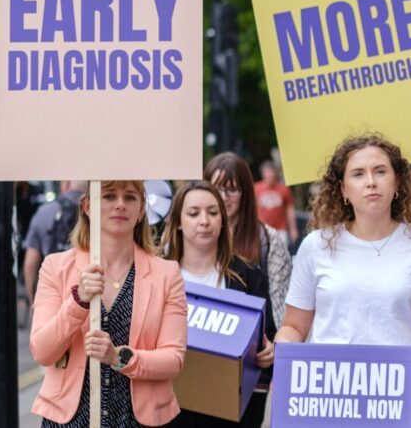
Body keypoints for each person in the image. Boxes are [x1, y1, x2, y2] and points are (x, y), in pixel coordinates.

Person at [276, 135, 411, 378]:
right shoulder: (315, 245)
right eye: (358, 174)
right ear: (343, 189)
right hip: (328, 391)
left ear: (396, 183)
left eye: (380, 171)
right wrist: (284, 355)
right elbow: (293, 327)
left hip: (400, 389)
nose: (371, 182)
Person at [30, 181, 187, 426]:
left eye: (131, 197)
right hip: (71, 420)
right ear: (87, 206)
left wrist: (118, 357)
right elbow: (42, 351)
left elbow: (174, 359)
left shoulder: (167, 274)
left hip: (138, 420)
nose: (120, 205)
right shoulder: (55, 267)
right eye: (109, 196)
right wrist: (78, 302)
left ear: (142, 209)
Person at [160, 181, 276, 427]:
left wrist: (268, 352)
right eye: (194, 213)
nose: (205, 220)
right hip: (170, 409)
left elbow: (268, 338)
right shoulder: (156, 275)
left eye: (213, 212)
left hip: (230, 414)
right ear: (178, 222)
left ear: (222, 220)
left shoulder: (249, 275)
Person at [203, 153, 291, 330]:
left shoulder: (268, 239)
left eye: (232, 189)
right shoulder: (190, 234)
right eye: (216, 189)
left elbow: (279, 306)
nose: (224, 196)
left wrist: (274, 346)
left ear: (245, 193)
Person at [23, 180, 87, 304]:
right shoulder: (98, 212)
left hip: (54, 295)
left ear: (66, 184)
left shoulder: (44, 212)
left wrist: (33, 302)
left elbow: (30, 263)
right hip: (87, 295)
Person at [254, 161, 299, 251]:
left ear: (275, 174)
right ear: (263, 174)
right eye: (267, 174)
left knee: (282, 253)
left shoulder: (284, 190)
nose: (269, 177)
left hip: (280, 229)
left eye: (271, 174)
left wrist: (293, 229)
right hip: (262, 229)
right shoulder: (256, 188)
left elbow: (289, 210)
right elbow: (252, 208)